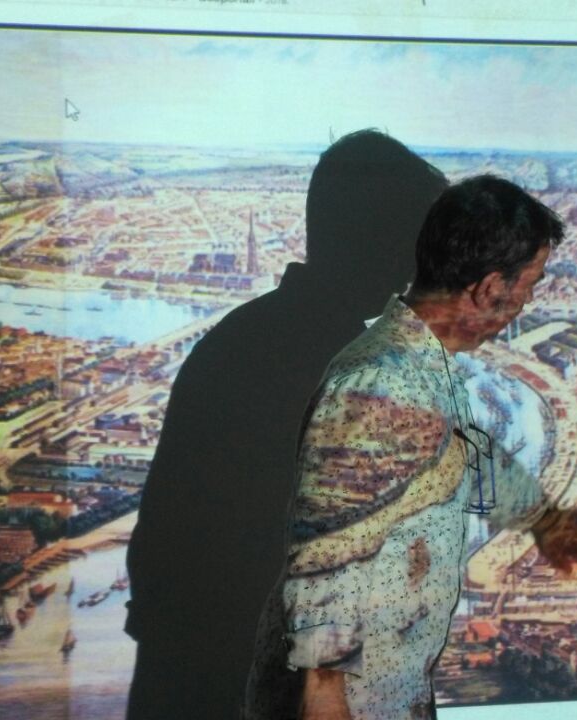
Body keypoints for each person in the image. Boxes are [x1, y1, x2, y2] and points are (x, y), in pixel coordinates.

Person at [244, 175, 577, 720]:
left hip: (384, 686)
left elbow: (463, 455)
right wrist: (324, 693)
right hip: (345, 700)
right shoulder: (378, 384)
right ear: (489, 289)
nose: (529, 301)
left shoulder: (420, 365)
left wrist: (543, 518)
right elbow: (327, 556)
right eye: (530, 284)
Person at [124, 130, 448, 720]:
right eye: (416, 241)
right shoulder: (350, 373)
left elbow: (162, 546)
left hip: (191, 675)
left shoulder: (235, 339)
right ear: (381, 241)